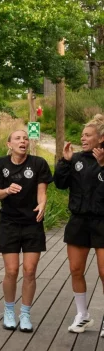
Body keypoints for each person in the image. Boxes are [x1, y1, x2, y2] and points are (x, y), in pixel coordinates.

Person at [0, 129, 52, 333]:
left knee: (30, 271)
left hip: (32, 222)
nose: (22, 141)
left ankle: (25, 313)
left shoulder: (38, 163)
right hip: (9, 223)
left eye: (25, 138)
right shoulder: (0, 164)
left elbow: (42, 192)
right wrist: (7, 190)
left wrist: (42, 204)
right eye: (17, 138)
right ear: (9, 144)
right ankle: (9, 311)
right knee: (12, 270)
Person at [55, 114, 104, 335]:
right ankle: (82, 315)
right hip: (78, 221)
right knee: (76, 269)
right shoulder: (75, 159)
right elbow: (60, 184)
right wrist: (64, 161)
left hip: (102, 221)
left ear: (100, 138)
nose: (83, 138)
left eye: (88, 135)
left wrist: (102, 165)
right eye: (82, 135)